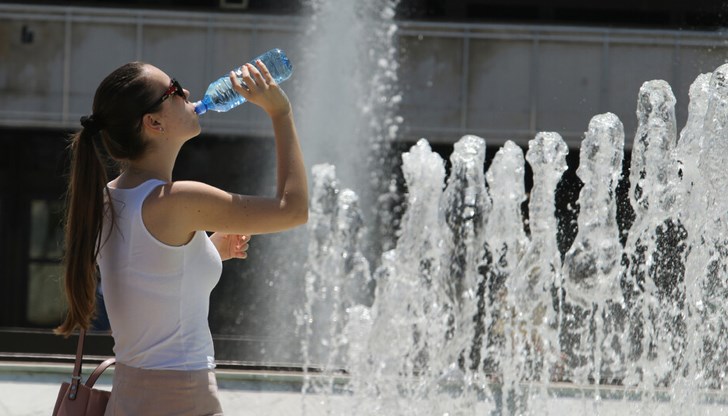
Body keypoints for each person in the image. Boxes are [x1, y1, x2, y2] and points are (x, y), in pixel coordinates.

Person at [55, 59, 308, 415]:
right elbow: (293, 209)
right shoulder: (178, 200)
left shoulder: (105, 200)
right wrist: (281, 114)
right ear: (153, 122)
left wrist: (209, 251)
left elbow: (149, 274)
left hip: (129, 396)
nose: (187, 92)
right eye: (173, 90)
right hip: (182, 397)